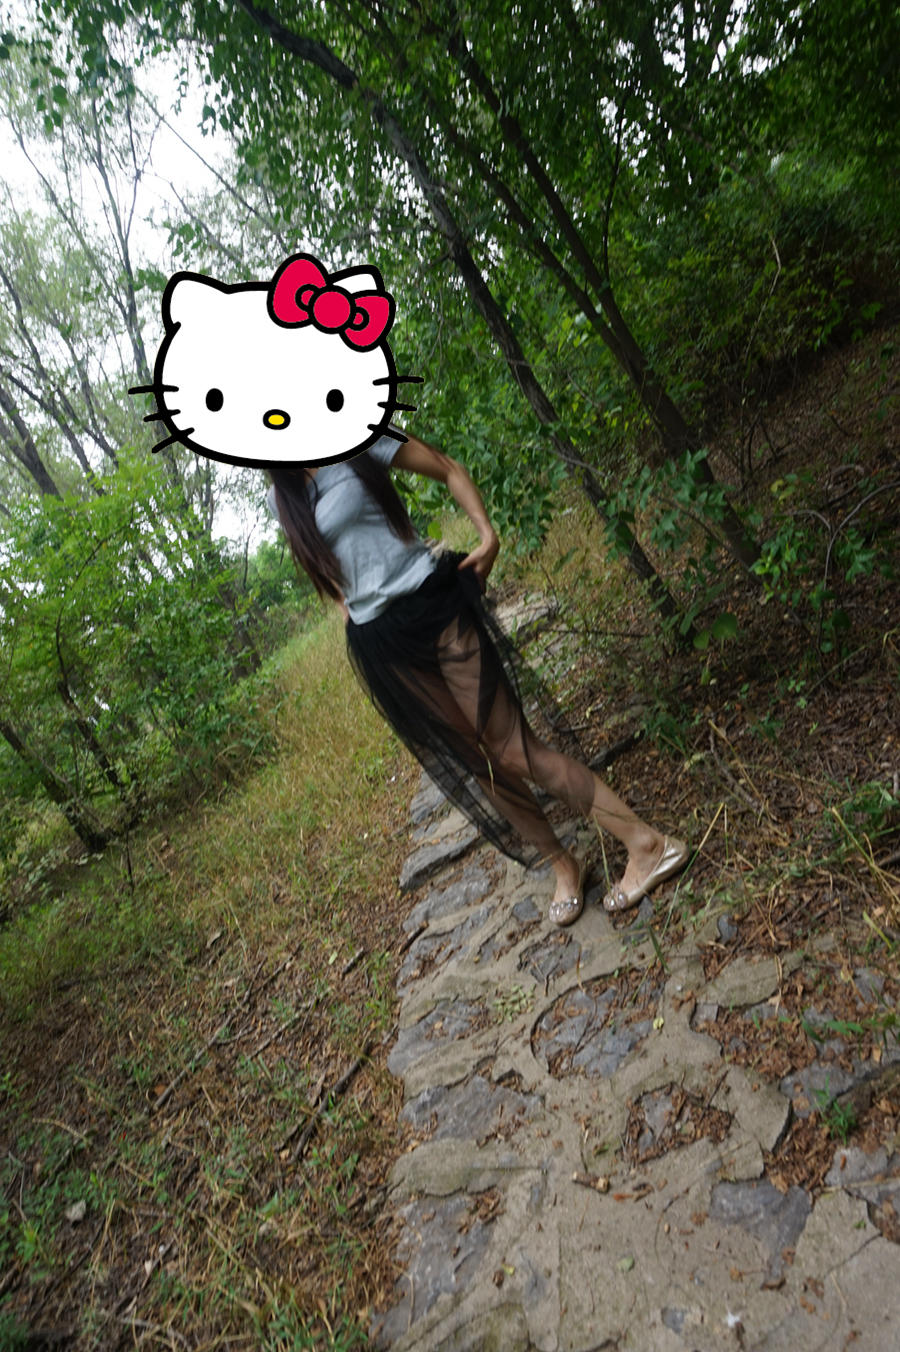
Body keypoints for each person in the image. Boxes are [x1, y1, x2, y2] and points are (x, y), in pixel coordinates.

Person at [267, 429, 688, 925]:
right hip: (383, 642)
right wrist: (348, 610)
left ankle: (647, 844)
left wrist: (487, 534)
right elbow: (326, 569)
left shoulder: (356, 435)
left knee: (513, 749)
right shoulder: (282, 496)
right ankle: (563, 864)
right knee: (479, 761)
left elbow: (446, 467)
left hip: (433, 604)